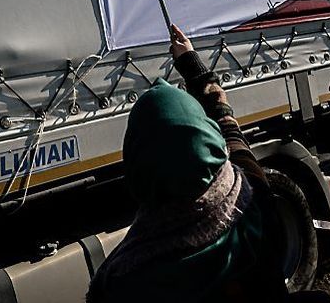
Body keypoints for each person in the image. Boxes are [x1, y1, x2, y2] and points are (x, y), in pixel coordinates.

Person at [87, 24, 289, 303]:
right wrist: (191, 63)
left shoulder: (124, 280)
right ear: (209, 140)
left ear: (136, 165)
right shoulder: (252, 202)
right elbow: (229, 127)